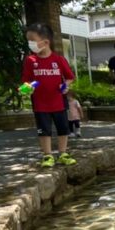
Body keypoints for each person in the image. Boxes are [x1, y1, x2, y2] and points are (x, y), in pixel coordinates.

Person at [22, 23, 76, 167]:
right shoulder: (30, 61)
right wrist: (26, 89)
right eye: (28, 41)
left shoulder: (58, 60)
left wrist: (65, 86)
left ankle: (63, 153)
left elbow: (70, 77)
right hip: (40, 104)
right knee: (44, 130)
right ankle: (47, 155)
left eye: (32, 40)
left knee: (63, 128)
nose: (30, 44)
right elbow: (27, 82)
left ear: (45, 42)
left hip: (58, 101)